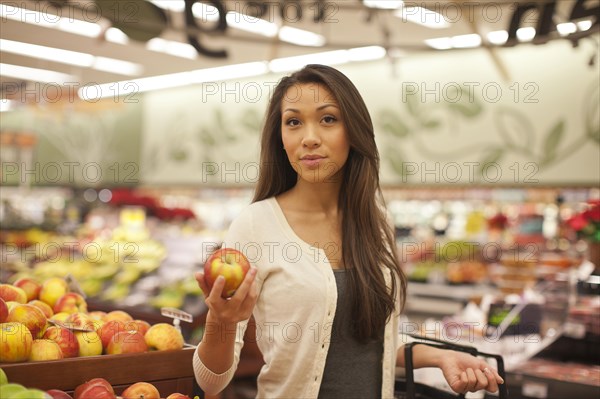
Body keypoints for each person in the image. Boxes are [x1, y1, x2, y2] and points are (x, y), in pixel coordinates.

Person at [193, 64, 504, 398]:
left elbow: (366, 344)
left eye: (328, 119)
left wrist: (440, 356)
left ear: (353, 130)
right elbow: (210, 383)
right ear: (280, 137)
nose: (309, 138)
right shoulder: (256, 224)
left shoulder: (374, 219)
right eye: (294, 122)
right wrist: (221, 321)